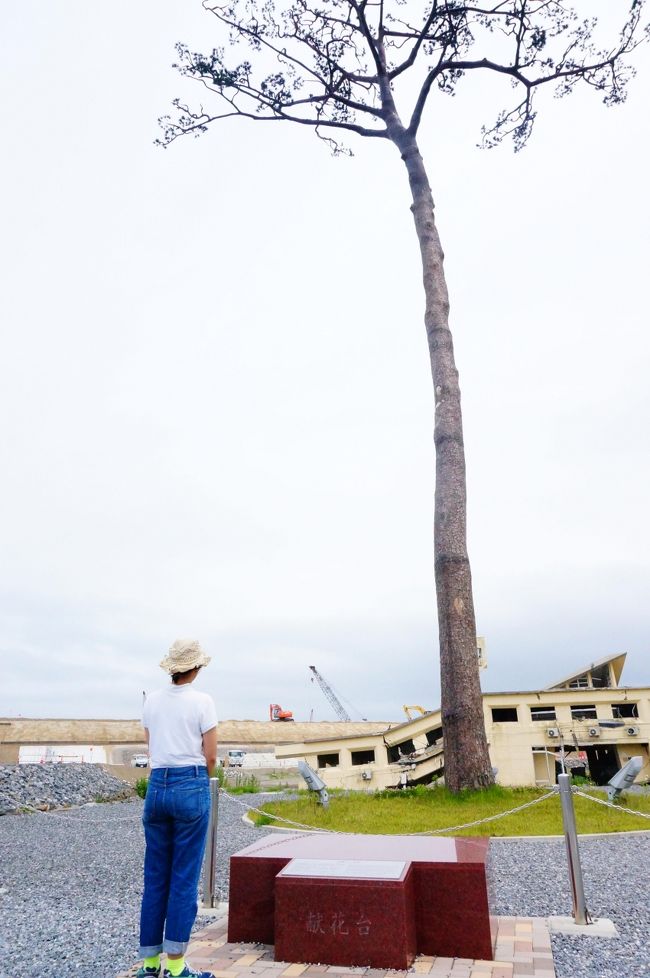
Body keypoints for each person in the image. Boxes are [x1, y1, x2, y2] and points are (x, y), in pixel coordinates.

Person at [137, 639, 218, 978]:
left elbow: (150, 742)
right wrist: (202, 782)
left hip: (157, 784)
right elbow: (210, 755)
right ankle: (176, 966)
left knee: (155, 877)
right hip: (191, 782)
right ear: (196, 668)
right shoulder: (203, 701)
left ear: (172, 668)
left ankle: (149, 964)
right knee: (183, 878)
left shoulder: (152, 701)